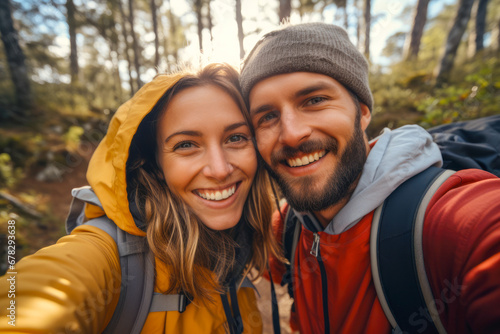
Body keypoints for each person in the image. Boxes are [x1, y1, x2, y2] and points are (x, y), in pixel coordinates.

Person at [240, 22, 500, 334]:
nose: (292, 134)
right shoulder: (288, 225)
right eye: (267, 116)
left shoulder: (450, 220)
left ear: (362, 111)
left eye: (314, 100)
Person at [0, 63, 281, 333]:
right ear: (154, 164)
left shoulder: (241, 244)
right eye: (186, 145)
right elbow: (30, 308)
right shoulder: (105, 257)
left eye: (236, 138)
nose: (220, 170)